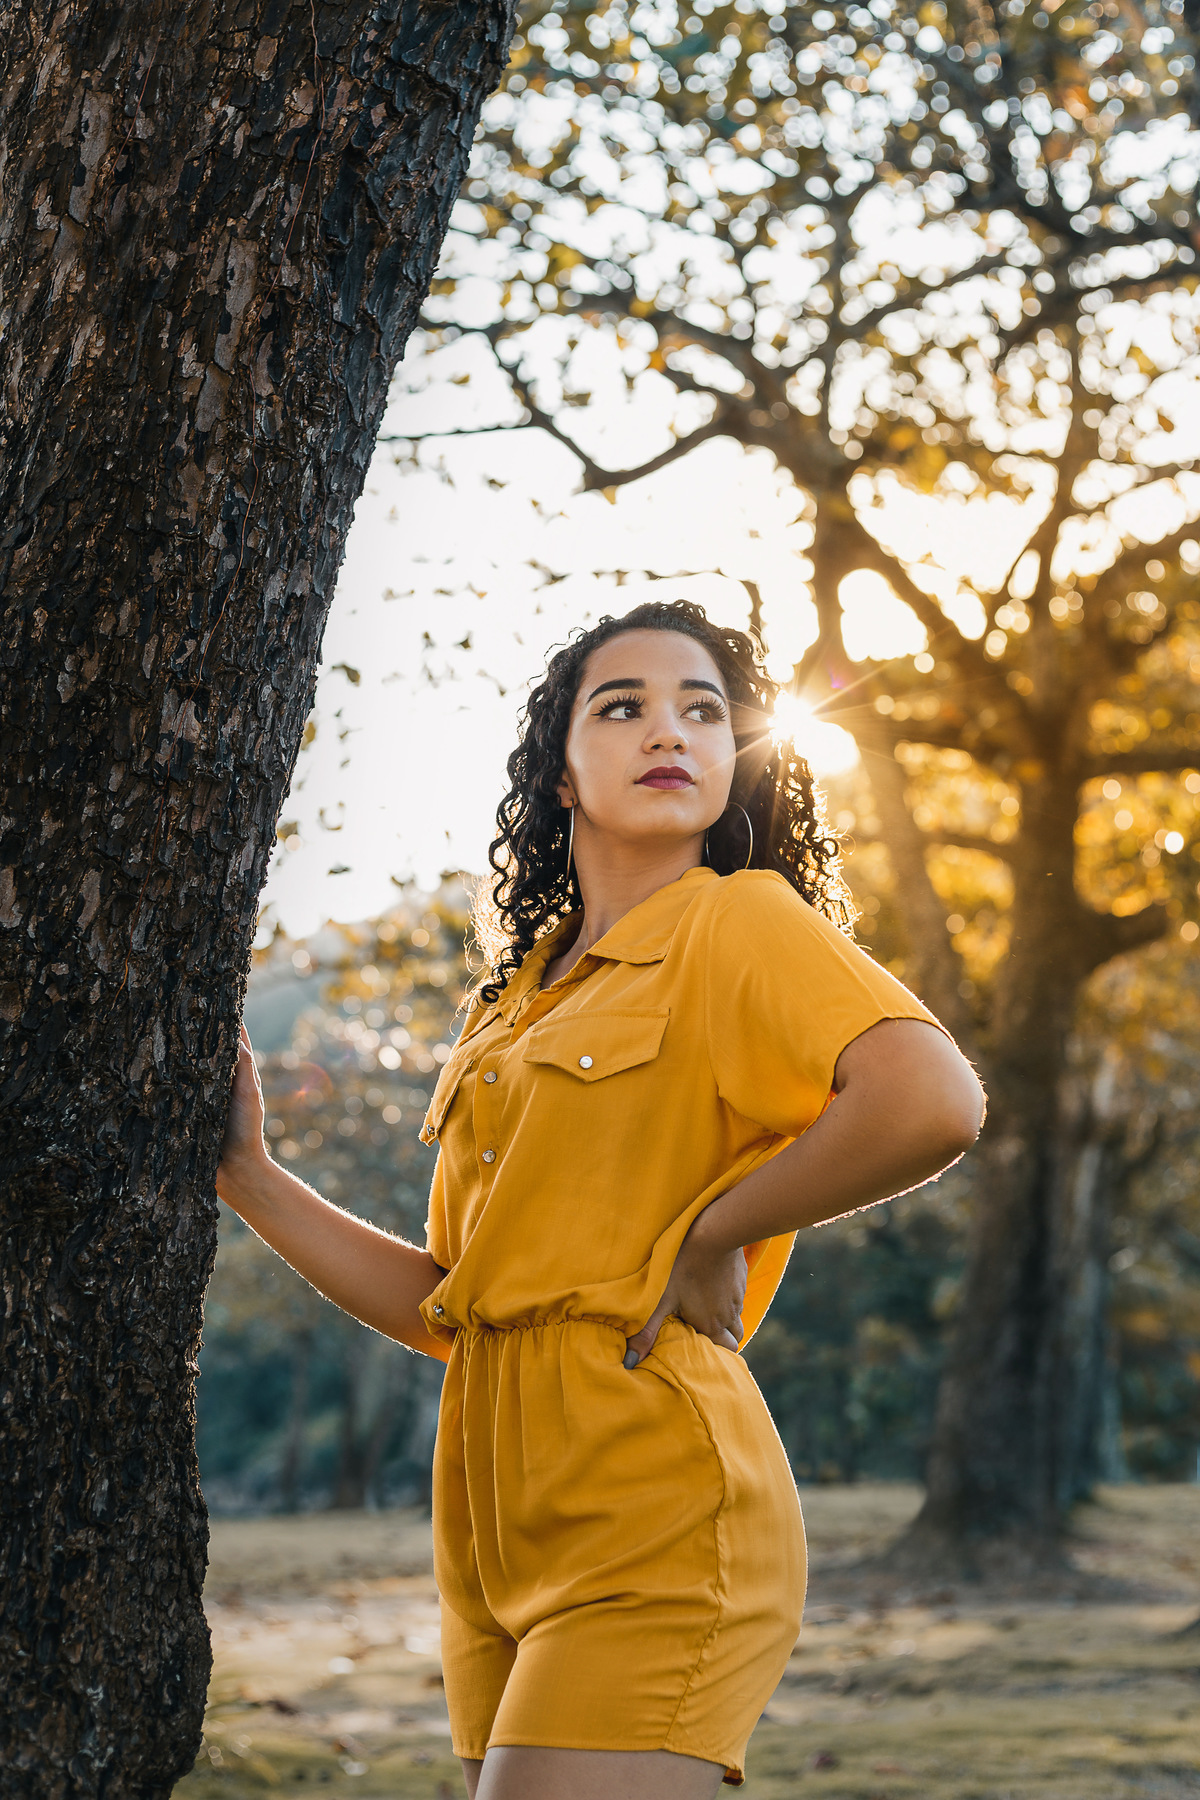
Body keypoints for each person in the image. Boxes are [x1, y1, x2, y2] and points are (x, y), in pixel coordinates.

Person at [217, 598, 984, 1800]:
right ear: (561, 773)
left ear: (737, 760)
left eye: (703, 711)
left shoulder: (737, 922)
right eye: (621, 708)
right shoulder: (510, 1004)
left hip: (656, 1496)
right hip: (487, 1526)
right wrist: (250, 1179)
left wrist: (715, 1227)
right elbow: (446, 1306)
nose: (665, 731)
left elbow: (930, 1099)